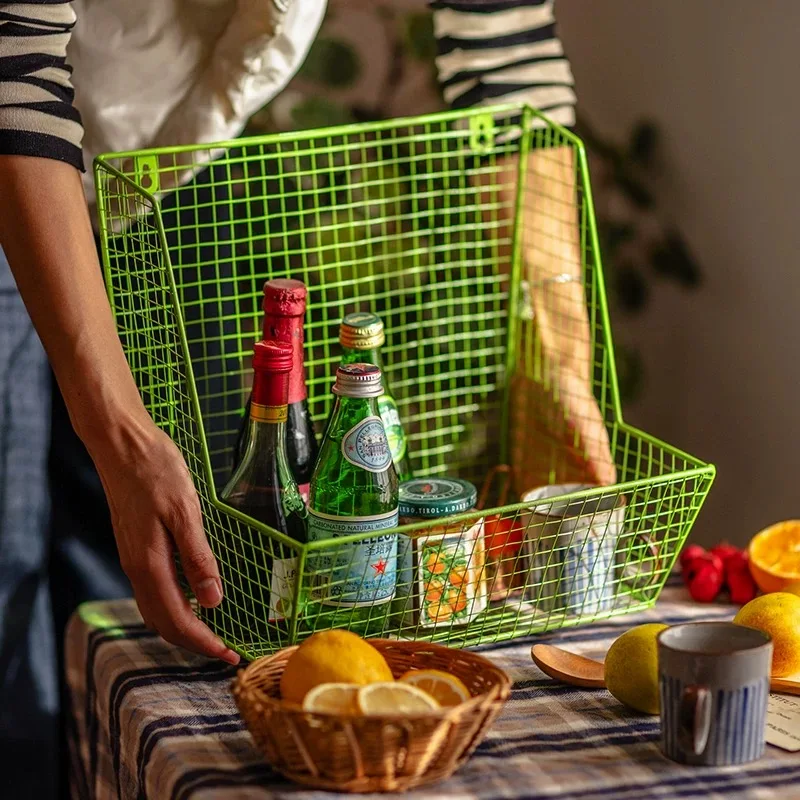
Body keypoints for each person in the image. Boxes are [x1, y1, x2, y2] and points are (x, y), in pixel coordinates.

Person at [0, 0, 586, 795]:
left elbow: (508, 60)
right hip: (18, 143)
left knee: (161, 583)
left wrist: (563, 382)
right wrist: (121, 433)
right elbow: (14, 63)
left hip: (163, 161)